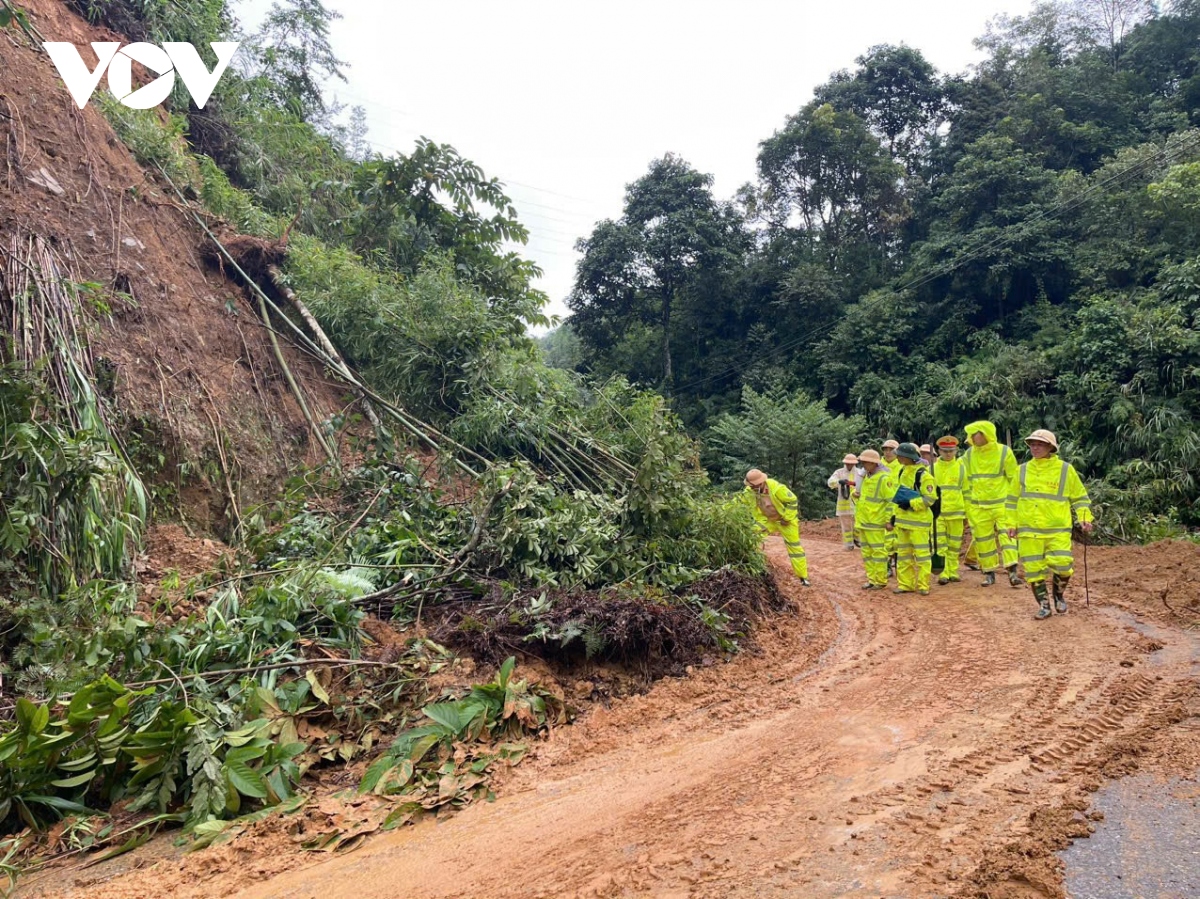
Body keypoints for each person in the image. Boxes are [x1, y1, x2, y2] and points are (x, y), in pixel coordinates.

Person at [1005, 430, 1093, 619]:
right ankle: (1044, 605)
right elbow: (1011, 500)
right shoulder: (1021, 470)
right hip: (1029, 530)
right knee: (1034, 570)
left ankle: (1058, 595)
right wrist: (1010, 523)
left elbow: (1079, 497)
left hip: (1057, 529)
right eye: (1033, 444)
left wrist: (1084, 517)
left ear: (1050, 447)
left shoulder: (1065, 470)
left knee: (1062, 565)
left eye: (1040, 444)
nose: (1035, 448)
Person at [962, 421, 1021, 588]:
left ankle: (1012, 571)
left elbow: (1014, 479)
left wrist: (1016, 502)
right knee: (983, 541)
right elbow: (958, 473)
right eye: (971, 434)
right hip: (979, 506)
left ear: (986, 434)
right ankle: (989, 574)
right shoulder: (969, 455)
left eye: (976, 433)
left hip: (1002, 504)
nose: (972, 437)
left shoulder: (1003, 452)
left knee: (1007, 537)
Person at [744, 469, 810, 586]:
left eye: (753, 486)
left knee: (794, 548)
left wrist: (787, 518)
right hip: (767, 520)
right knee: (752, 535)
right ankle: (753, 568)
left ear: (761, 483)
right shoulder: (749, 491)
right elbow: (738, 502)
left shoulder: (776, 488)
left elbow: (792, 500)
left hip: (785, 521)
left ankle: (803, 577)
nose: (751, 488)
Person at [889, 442, 939, 595]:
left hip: (919, 524)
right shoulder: (901, 472)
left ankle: (923, 585)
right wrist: (894, 516)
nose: (896, 457)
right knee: (904, 556)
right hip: (903, 522)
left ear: (906, 457)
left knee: (922, 556)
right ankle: (906, 585)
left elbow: (930, 498)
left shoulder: (924, 475)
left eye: (899, 455)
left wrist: (910, 503)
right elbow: (897, 496)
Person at [854, 449, 896, 590]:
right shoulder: (867, 477)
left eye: (866, 462)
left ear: (873, 463)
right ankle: (872, 579)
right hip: (864, 522)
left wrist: (888, 520)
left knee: (878, 552)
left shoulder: (884, 478)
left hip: (876, 522)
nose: (864, 465)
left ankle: (881, 580)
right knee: (866, 553)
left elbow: (890, 501)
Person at [932, 435, 967, 585]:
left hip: (956, 512)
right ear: (938, 451)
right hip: (938, 514)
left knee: (954, 544)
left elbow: (967, 491)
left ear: (956, 450)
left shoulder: (961, 468)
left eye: (951, 450)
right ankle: (943, 572)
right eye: (945, 450)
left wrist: (967, 512)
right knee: (940, 543)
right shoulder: (931, 469)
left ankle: (953, 571)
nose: (948, 453)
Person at [828, 454, 859, 551]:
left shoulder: (859, 473)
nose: (849, 465)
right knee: (846, 526)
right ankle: (849, 544)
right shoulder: (839, 472)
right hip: (844, 505)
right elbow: (830, 482)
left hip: (857, 504)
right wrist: (838, 482)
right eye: (848, 463)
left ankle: (857, 539)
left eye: (851, 463)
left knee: (858, 524)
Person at [881, 439, 901, 575]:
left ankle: (899, 566)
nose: (888, 452)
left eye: (891, 449)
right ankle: (886, 566)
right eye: (885, 449)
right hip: (882, 509)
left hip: (899, 508)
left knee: (899, 540)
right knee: (884, 541)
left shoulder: (902, 466)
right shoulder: (877, 466)